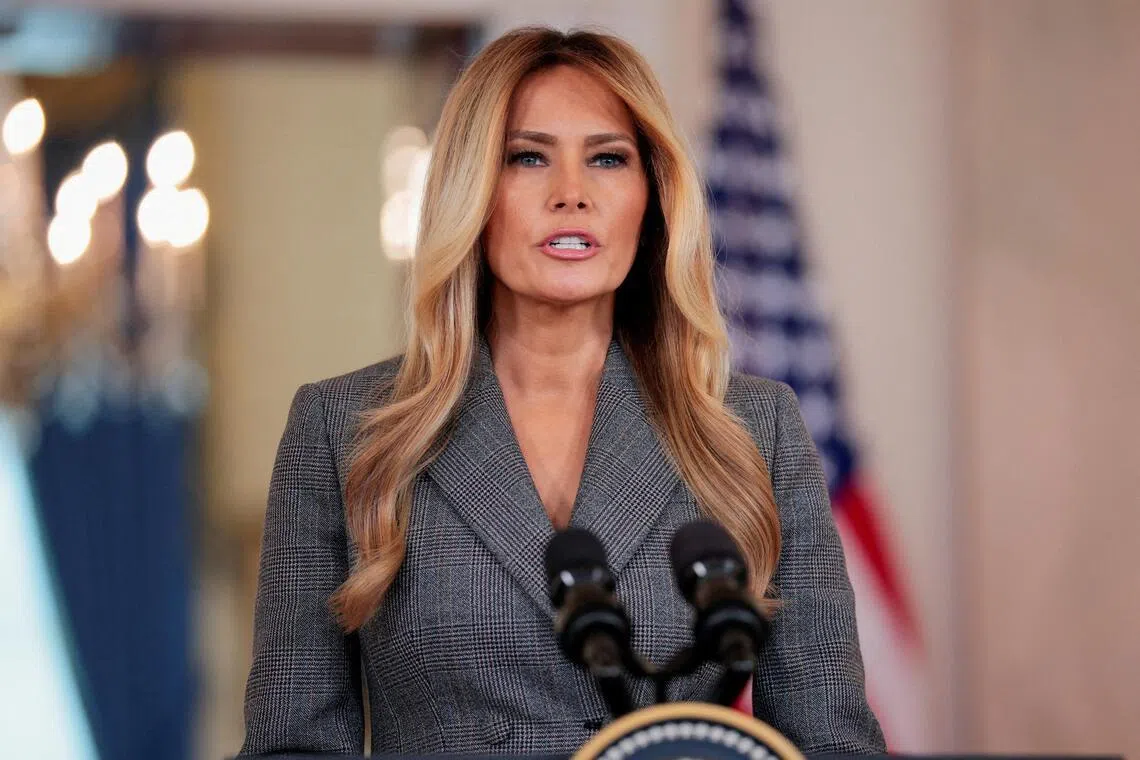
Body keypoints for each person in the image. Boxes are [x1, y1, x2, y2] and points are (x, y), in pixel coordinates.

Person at [239, 26, 885, 757]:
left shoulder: (754, 428)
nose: (571, 195)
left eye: (608, 158)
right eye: (528, 157)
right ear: (472, 190)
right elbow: (292, 745)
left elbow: (831, 743)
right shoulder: (342, 428)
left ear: (653, 197)